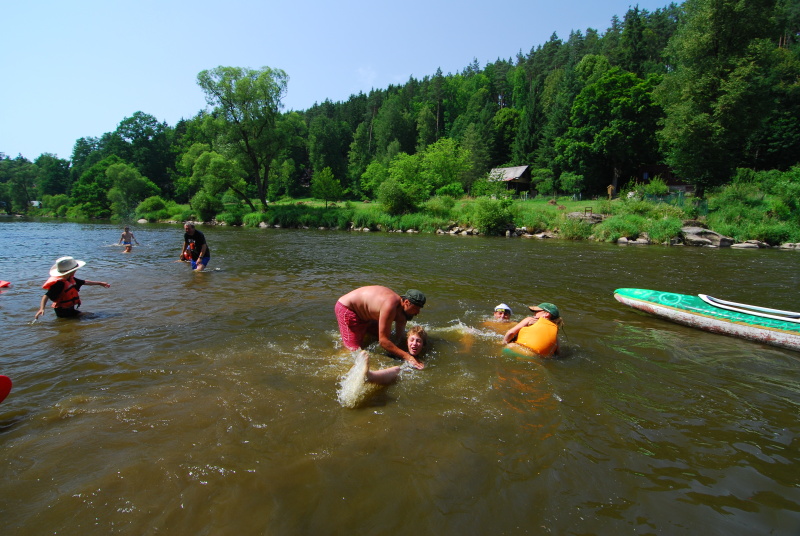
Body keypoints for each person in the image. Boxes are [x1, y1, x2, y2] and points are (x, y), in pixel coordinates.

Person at [335, 286, 427, 369]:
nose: (418, 312)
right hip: (348, 309)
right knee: (353, 350)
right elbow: (383, 341)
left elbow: (400, 337)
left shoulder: (402, 311)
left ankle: (360, 332)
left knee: (385, 336)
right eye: (416, 308)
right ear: (406, 302)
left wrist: (409, 351)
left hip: (368, 315)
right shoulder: (390, 306)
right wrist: (408, 357)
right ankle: (337, 362)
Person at [35, 256, 111, 319]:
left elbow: (85, 282)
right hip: (62, 310)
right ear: (71, 271)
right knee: (92, 316)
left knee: (84, 318)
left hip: (69, 308)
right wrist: (42, 308)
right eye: (75, 269)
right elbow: (46, 295)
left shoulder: (70, 279)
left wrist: (100, 283)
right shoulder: (59, 284)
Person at [357, 326, 428, 385]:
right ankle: (369, 375)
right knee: (397, 369)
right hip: (388, 366)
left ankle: (369, 376)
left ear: (423, 345)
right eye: (412, 340)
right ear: (407, 342)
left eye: (418, 341)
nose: (414, 343)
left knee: (397, 369)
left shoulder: (421, 363)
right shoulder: (399, 353)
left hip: (397, 373)